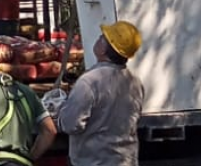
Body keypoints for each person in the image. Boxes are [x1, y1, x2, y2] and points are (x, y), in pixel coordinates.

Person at [56, 20, 144, 166]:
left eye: (101, 37)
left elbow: (70, 124)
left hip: (93, 161)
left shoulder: (89, 82)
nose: (98, 39)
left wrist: (60, 111)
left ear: (103, 49)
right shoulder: (135, 82)